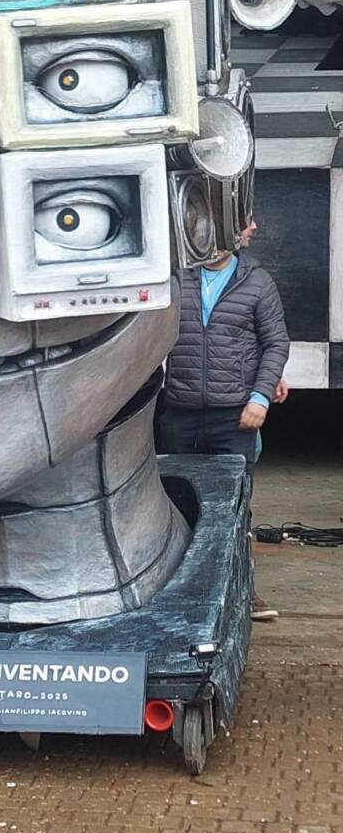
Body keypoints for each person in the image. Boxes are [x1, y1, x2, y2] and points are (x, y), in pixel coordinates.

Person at [157, 218, 290, 619]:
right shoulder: (174, 278)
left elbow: (275, 343)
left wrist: (260, 397)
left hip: (234, 415)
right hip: (178, 411)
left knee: (232, 508)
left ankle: (242, 593)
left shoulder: (258, 282)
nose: (254, 227)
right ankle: (177, 595)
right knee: (175, 503)